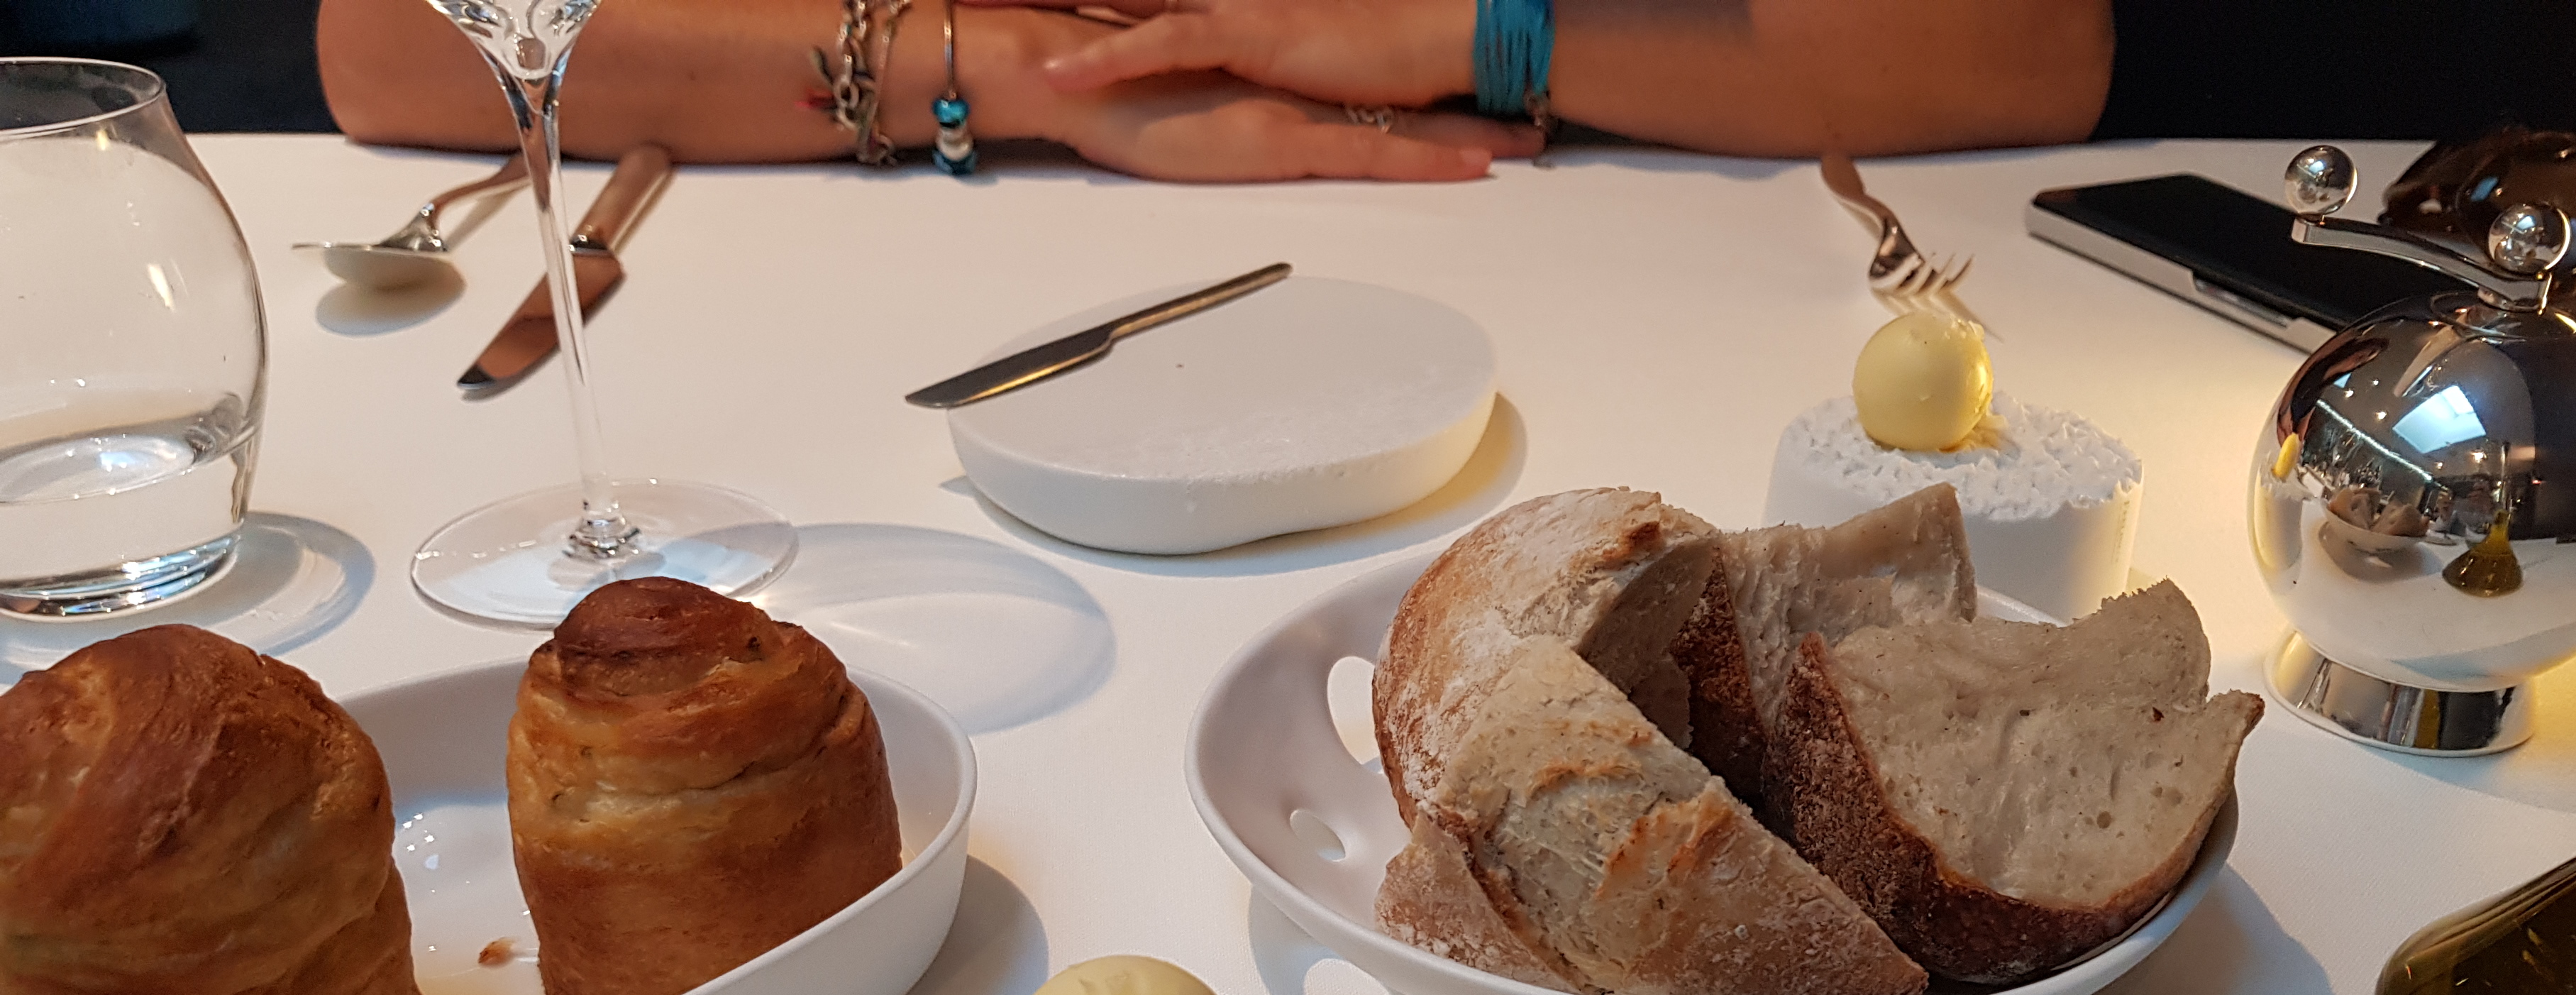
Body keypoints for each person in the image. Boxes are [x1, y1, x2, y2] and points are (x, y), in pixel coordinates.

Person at [315, 0, 2113, 182]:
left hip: (1544, 257)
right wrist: (1020, 76)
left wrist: (1477, 31)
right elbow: (395, 43)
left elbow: (2024, 46)